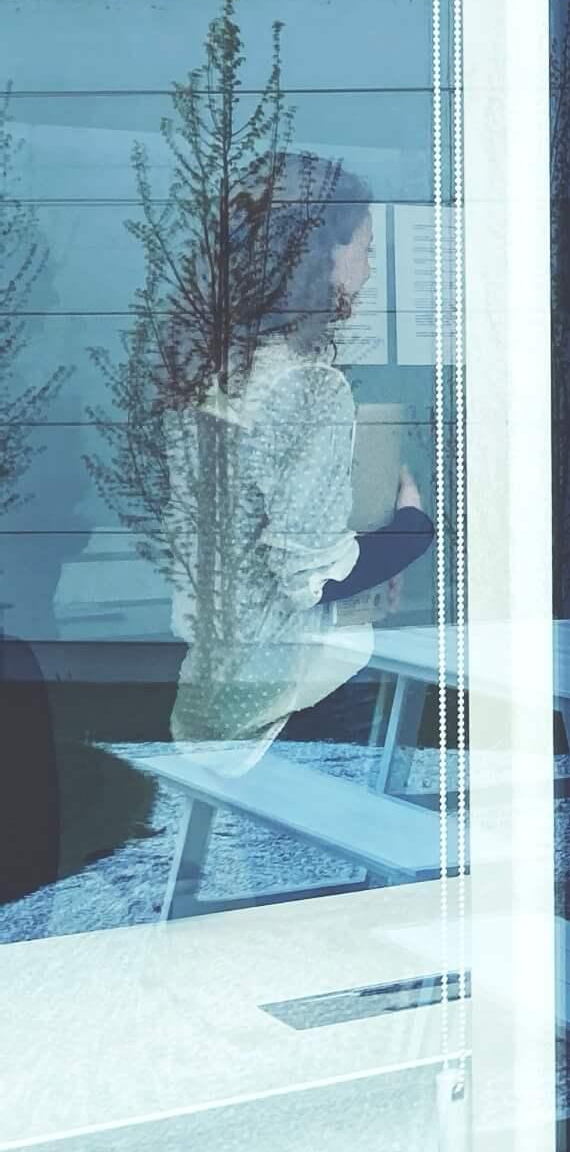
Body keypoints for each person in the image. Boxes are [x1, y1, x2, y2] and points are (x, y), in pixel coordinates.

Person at [160, 161, 434, 767]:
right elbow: (312, 581)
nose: (369, 269)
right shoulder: (306, 386)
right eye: (365, 248)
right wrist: (411, 530)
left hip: (214, 676)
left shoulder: (212, 371)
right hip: (292, 689)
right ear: (321, 255)